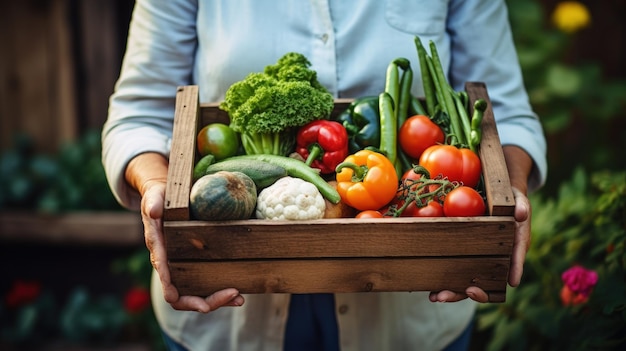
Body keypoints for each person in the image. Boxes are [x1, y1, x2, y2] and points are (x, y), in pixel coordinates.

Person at [102, 1, 547, 350]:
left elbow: (502, 112)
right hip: (227, 321)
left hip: (410, 324)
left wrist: (512, 189)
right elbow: (140, 112)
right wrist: (158, 187)